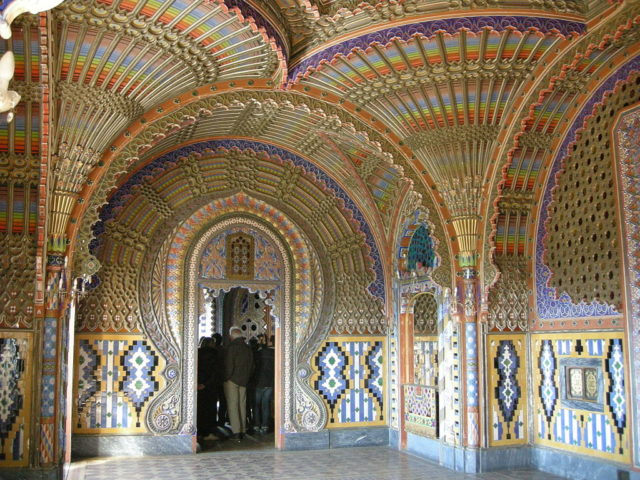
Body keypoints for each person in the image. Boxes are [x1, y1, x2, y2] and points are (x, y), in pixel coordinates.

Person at [223, 326, 253, 440]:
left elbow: (229, 365)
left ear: (231, 337)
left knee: (233, 406)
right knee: (242, 405)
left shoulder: (232, 348)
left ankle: (236, 432)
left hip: (232, 380)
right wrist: (247, 377)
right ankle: (243, 429)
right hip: (244, 380)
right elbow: (252, 366)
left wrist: (226, 378)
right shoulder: (247, 348)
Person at [196, 337, 217, 442]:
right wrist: (206, 384)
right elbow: (214, 372)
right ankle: (207, 432)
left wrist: (197, 383)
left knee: (200, 409)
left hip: (197, 385)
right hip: (209, 386)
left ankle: (198, 431)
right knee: (209, 409)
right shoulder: (214, 354)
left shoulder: (197, 353)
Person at [253, 334, 274, 433]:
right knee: (265, 404)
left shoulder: (256, 354)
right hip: (269, 382)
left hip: (258, 382)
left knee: (256, 405)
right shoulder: (272, 353)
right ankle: (265, 426)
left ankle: (257, 425)